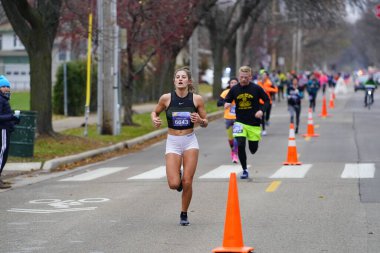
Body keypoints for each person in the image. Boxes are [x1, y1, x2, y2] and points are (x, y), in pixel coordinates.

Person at [151, 66, 208, 226]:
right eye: (178, 77)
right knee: (174, 184)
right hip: (173, 142)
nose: (180, 79)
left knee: (188, 182)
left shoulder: (196, 99)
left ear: (188, 81)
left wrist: (200, 121)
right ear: (174, 81)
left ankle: (184, 213)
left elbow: (205, 122)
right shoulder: (166, 98)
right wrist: (154, 119)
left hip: (190, 140)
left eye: (183, 77)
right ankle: (179, 174)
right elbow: (155, 112)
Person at [224, 66, 270, 179]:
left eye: (246, 77)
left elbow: (267, 100)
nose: (243, 79)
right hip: (240, 122)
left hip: (254, 123)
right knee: (240, 145)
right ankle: (244, 170)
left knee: (253, 149)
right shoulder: (234, 89)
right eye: (241, 77)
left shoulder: (256, 88)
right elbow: (227, 99)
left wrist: (261, 110)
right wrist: (227, 103)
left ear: (250, 77)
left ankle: (253, 145)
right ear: (239, 76)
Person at [0, 75, 20, 189]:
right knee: (2, 154)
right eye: (3, 86)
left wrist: (13, 121)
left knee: (3, 155)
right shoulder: (0, 99)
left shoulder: (4, 99)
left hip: (5, 128)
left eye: (8, 86)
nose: (6, 89)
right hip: (2, 129)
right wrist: (11, 117)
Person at [217, 77, 239, 163]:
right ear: (229, 84)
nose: (233, 84)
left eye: (235, 82)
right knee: (231, 138)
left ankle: (235, 153)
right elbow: (218, 103)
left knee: (237, 137)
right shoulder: (225, 92)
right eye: (232, 83)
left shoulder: (240, 92)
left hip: (238, 118)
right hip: (228, 118)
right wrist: (225, 103)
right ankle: (233, 150)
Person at [257, 70, 278, 136]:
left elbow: (275, 90)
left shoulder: (270, 83)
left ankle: (267, 120)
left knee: (267, 115)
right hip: (260, 101)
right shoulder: (259, 83)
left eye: (265, 75)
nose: (263, 76)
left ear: (267, 76)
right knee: (262, 115)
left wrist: (268, 89)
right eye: (263, 75)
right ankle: (263, 130)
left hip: (268, 101)